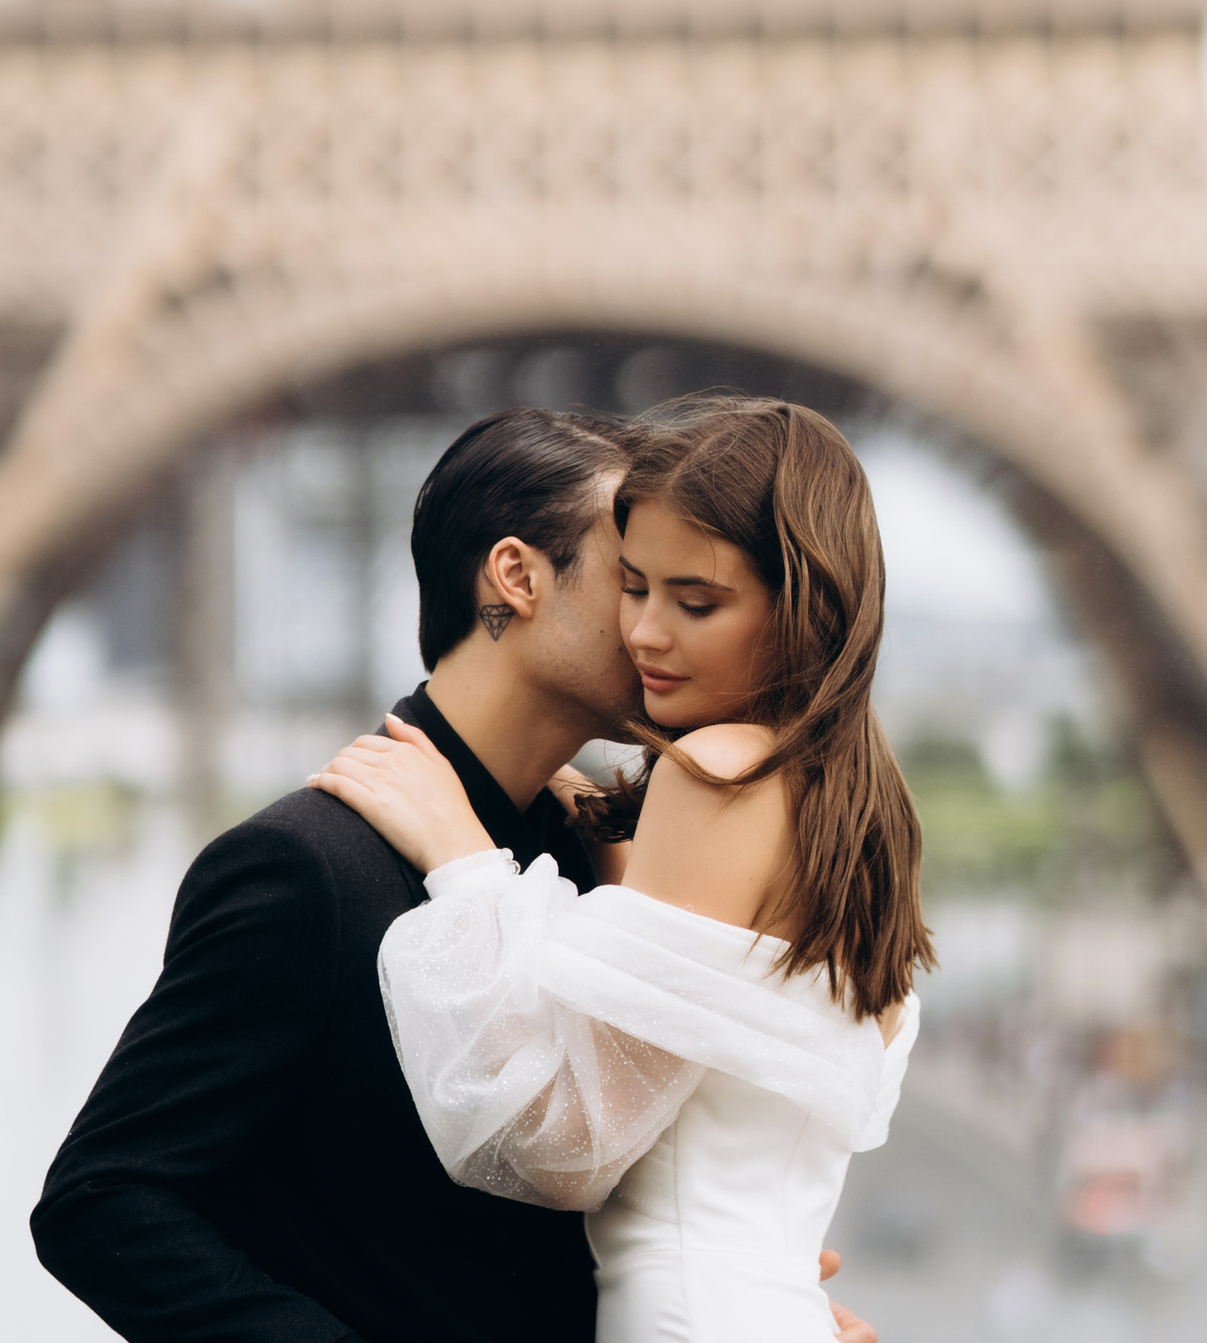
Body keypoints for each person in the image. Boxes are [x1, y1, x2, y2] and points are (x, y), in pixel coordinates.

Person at [308, 395, 928, 1343]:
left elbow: (562, 1144)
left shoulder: (714, 772)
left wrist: (463, 858)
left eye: (697, 602)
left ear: (805, 605)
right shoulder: (855, 809)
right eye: (634, 586)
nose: (644, 633)